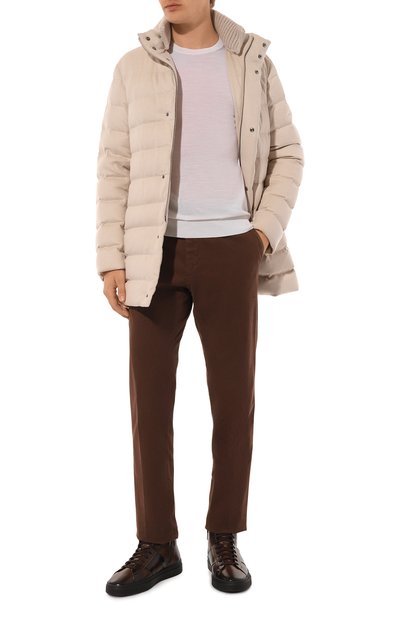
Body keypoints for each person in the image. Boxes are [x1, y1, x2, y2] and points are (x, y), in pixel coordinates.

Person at [96, 0, 304, 596]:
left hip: (231, 250)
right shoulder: (132, 66)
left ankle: (224, 537)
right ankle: (157, 544)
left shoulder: (254, 62)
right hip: (152, 253)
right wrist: (111, 256)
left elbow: (289, 154)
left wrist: (260, 233)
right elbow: (114, 165)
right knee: (149, 405)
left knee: (233, 402)